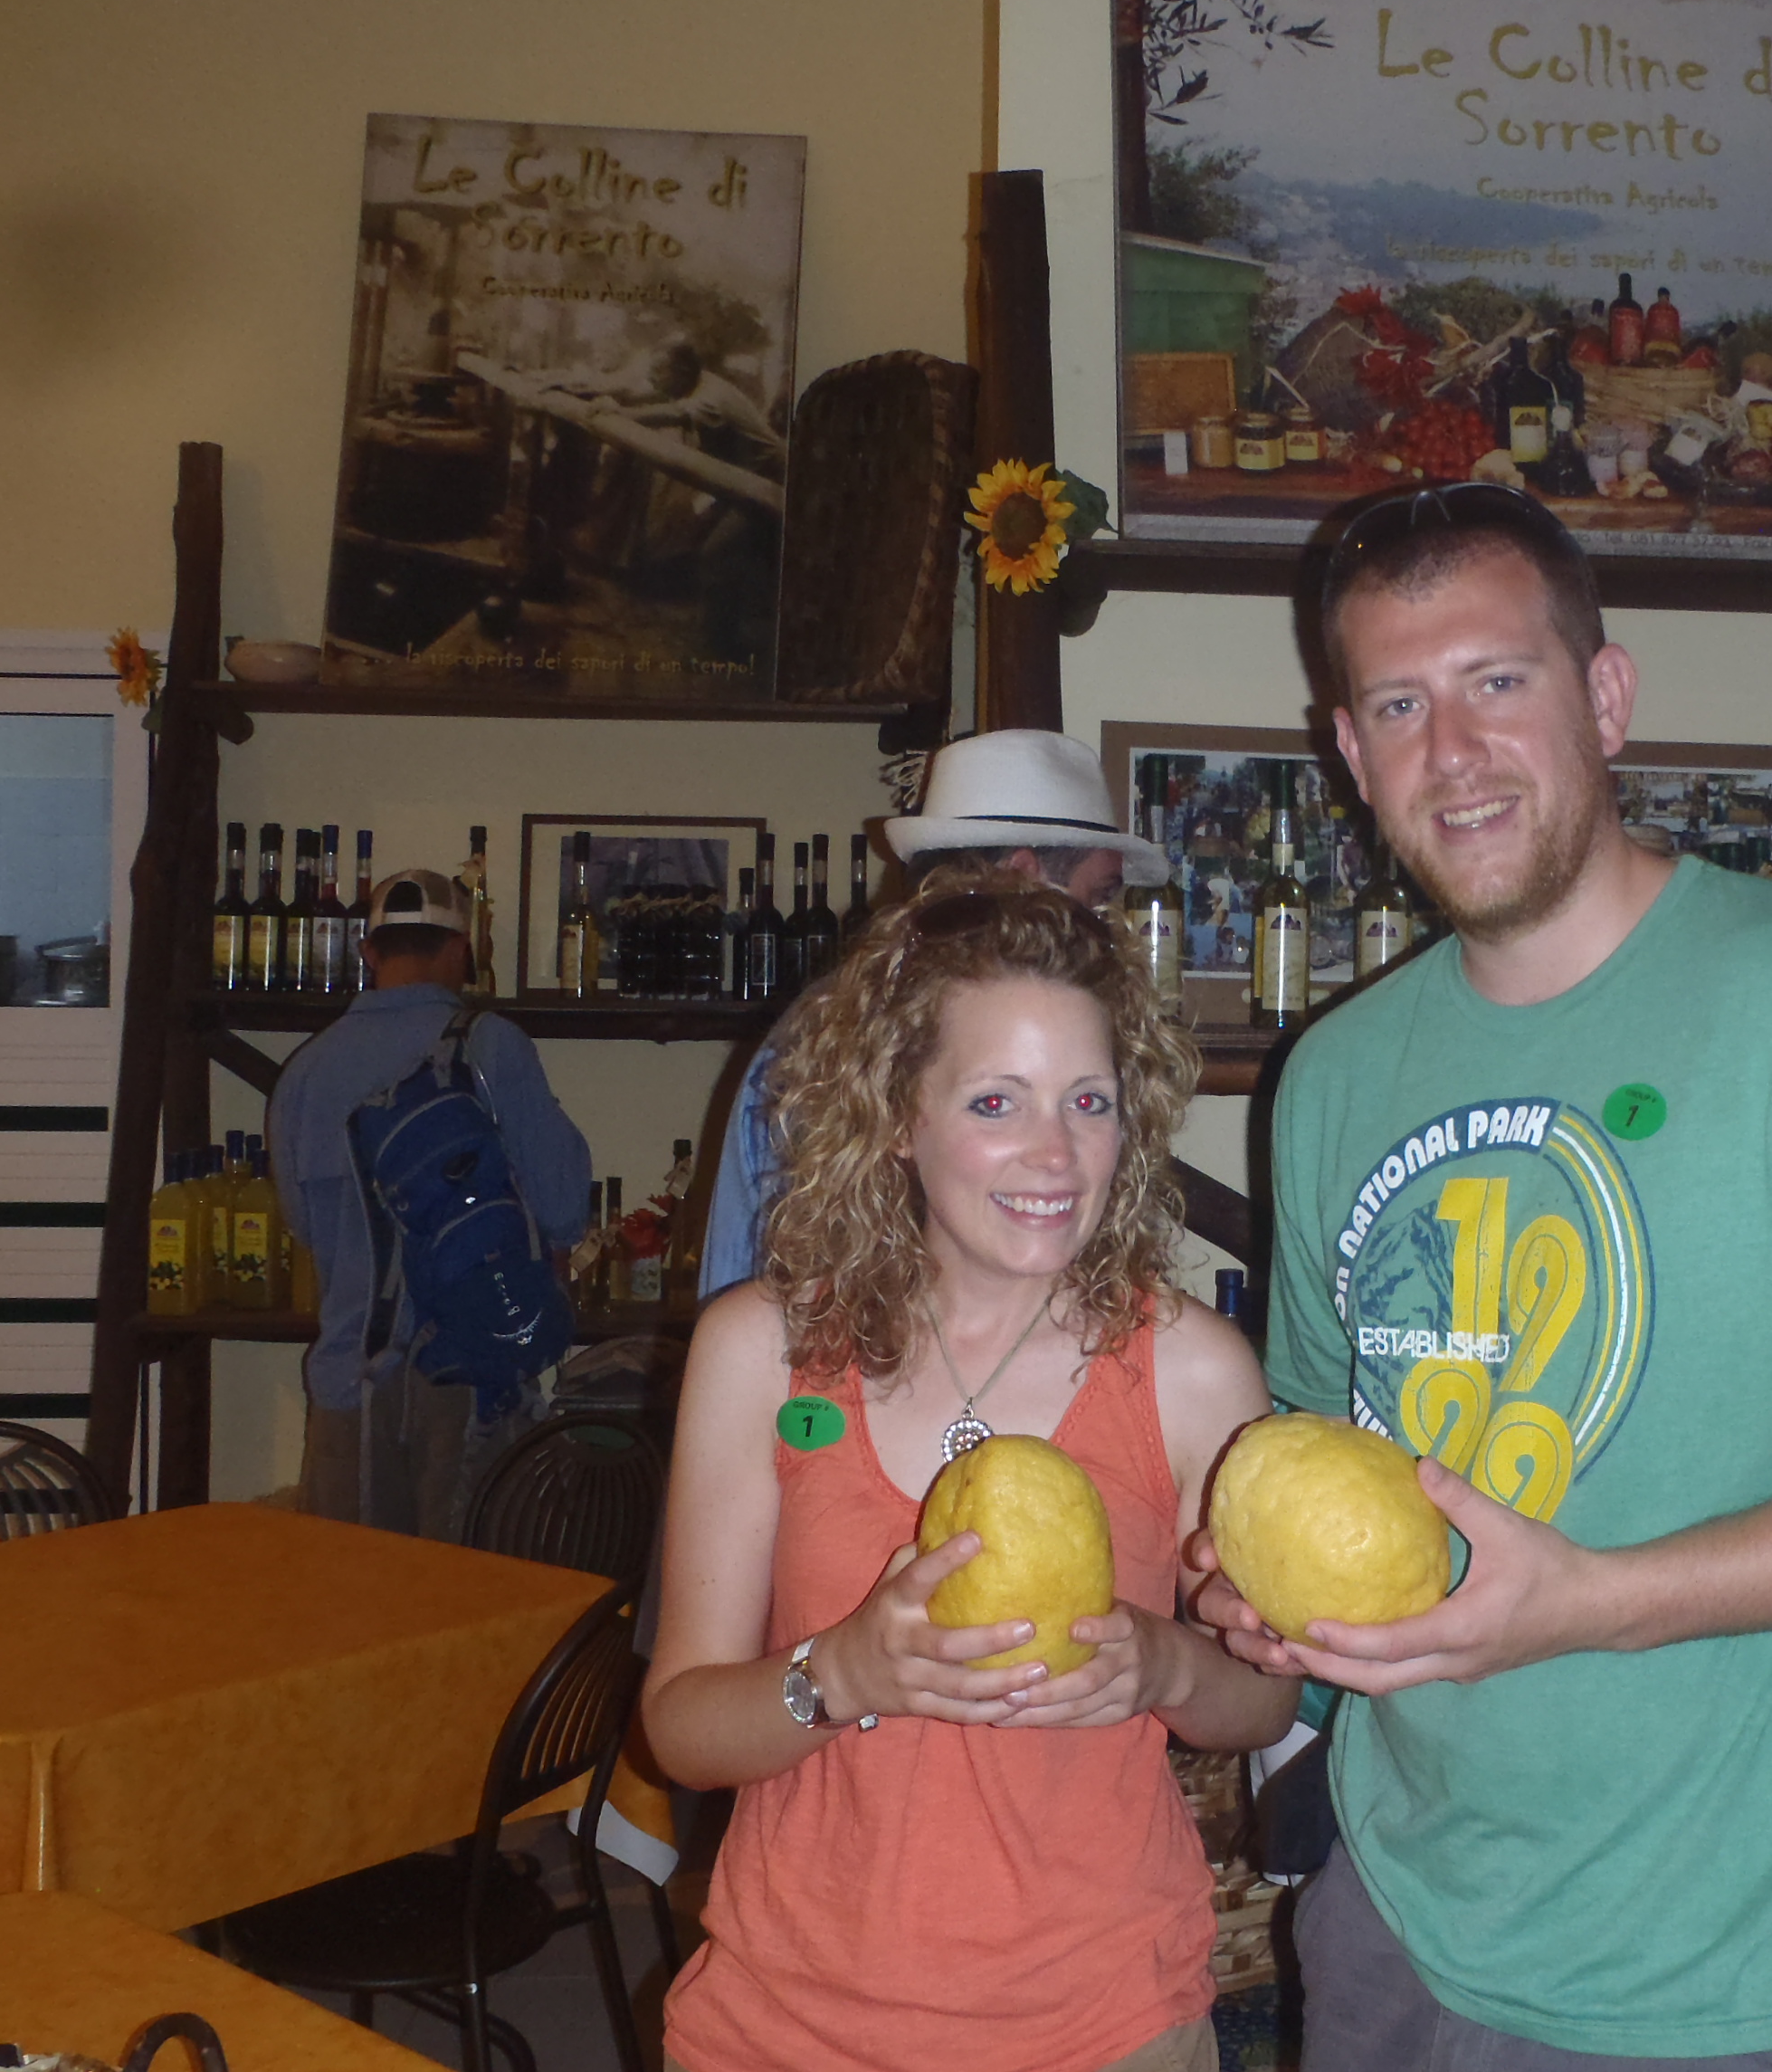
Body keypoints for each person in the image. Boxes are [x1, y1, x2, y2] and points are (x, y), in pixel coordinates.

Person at [1192, 482, 1772, 2068]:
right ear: (1346, 751)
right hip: (1395, 1929)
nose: (1449, 751)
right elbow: (1327, 1449)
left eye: (1497, 681)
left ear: (1603, 696)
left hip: (1724, 1980)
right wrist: (1266, 1602)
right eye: (1397, 703)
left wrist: (1595, 1602)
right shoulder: (1328, 1078)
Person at [644, 876, 1296, 2072]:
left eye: (1088, 1102)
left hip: (1102, 2027)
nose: (1054, 1153)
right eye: (998, 1100)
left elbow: (1264, 1703)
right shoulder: (762, 1351)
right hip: (783, 2030)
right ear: (901, 1114)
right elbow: (681, 1727)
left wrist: (1163, 1664)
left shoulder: (1192, 1371)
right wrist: (836, 1672)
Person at [695, 727, 1167, 1297]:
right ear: (1021, 880)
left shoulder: (839, 1029)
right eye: (1096, 900)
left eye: (1089, 1103)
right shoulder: (823, 1054)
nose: (1104, 934)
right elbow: (782, 1333)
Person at [270, 867, 590, 1538]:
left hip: (348, 1392)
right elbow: (565, 1206)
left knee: (359, 1619)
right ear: (460, 951)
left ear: (369, 953)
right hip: (472, 1386)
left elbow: (303, 1229)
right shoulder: (490, 1045)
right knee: (471, 1613)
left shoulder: (306, 1071)